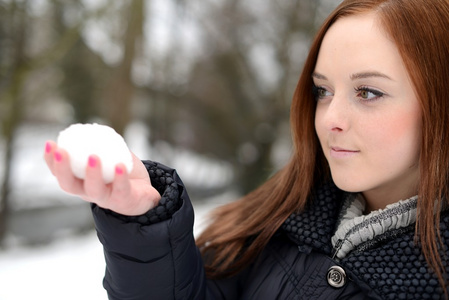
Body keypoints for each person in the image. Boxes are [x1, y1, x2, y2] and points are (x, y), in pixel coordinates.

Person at [44, 0, 449, 298]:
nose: (329, 118)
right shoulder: (274, 224)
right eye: (322, 90)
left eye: (368, 92)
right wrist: (145, 225)